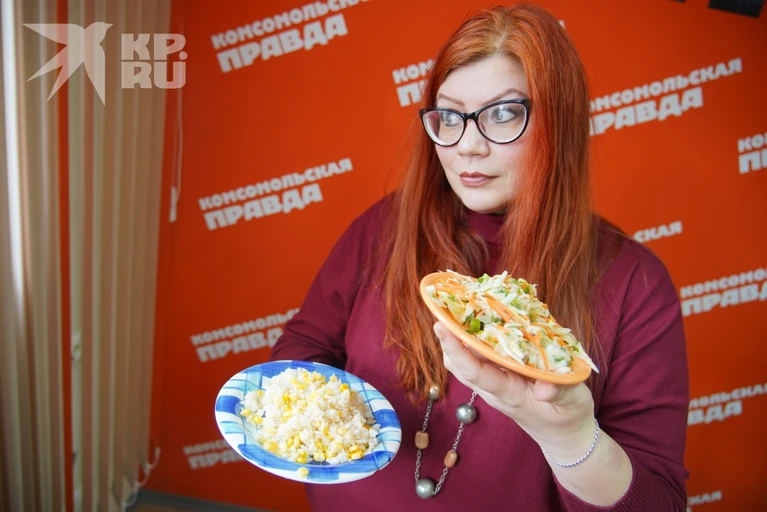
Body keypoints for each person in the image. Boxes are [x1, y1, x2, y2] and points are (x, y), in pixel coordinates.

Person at [270, 3, 690, 511]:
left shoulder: (635, 283)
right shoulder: (384, 226)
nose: (467, 146)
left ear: (560, 122)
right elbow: (305, 346)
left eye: (504, 114)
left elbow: (658, 501)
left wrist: (570, 438)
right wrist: (317, 417)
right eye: (450, 116)